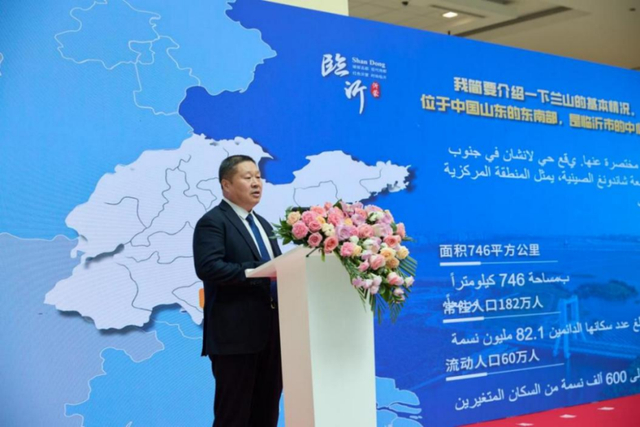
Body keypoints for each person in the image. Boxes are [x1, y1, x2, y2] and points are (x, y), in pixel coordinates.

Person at [193, 155, 282, 427]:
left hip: (272, 336)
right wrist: (255, 271)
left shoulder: (264, 225)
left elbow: (278, 268)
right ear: (226, 185)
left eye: (258, 177)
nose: (256, 183)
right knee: (233, 417)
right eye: (247, 177)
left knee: (266, 415)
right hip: (235, 338)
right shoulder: (213, 222)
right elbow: (209, 267)